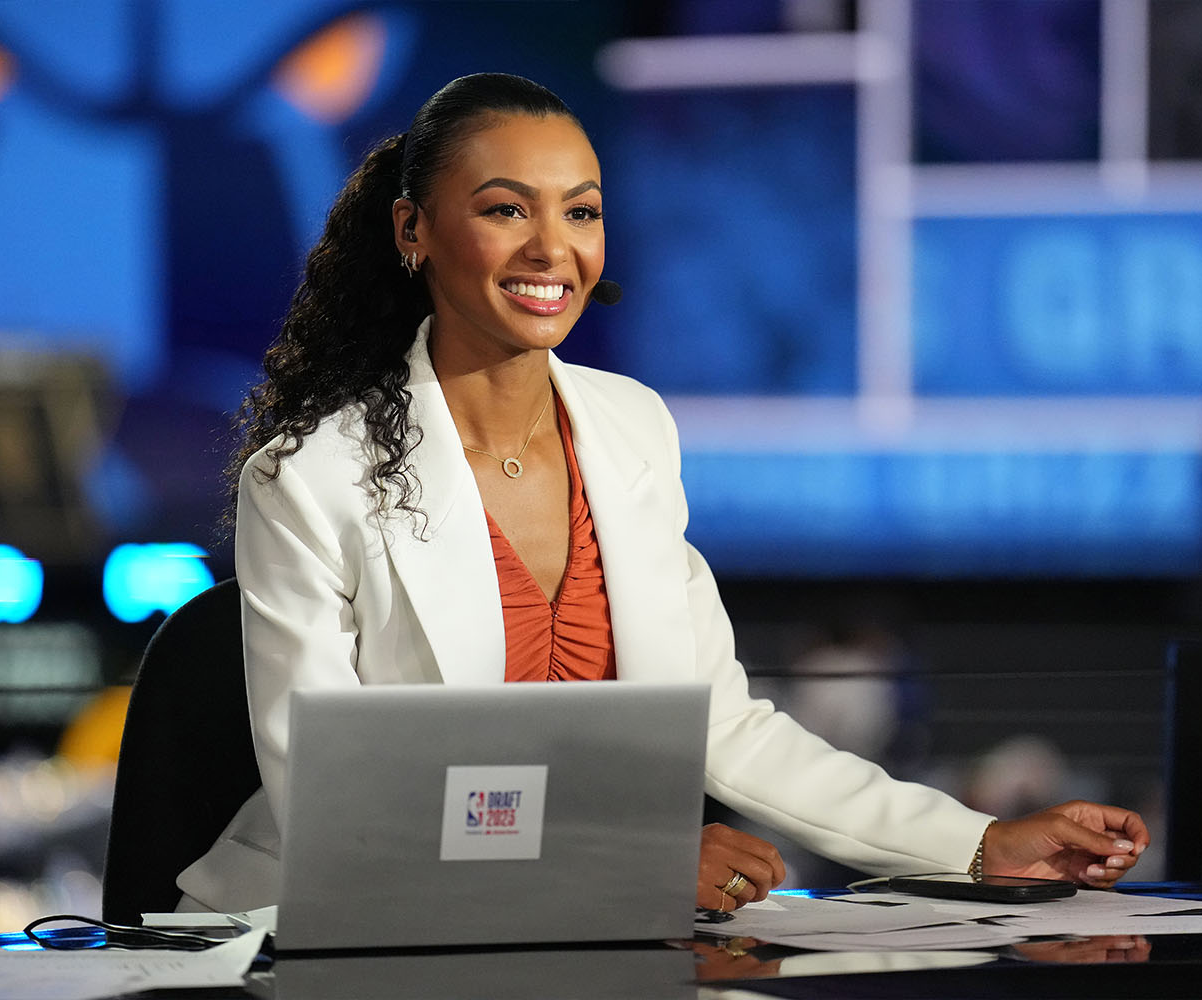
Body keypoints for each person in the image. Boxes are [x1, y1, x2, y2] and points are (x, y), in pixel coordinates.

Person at [175, 73, 1149, 913]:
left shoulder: (632, 426)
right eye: (506, 209)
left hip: (581, 934)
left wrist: (978, 843)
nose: (551, 248)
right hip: (337, 928)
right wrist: (626, 863)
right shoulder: (310, 476)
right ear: (413, 230)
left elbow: (724, 727)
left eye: (581, 211)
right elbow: (334, 802)